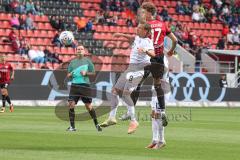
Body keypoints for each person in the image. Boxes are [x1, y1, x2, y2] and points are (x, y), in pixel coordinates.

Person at [133, 2, 177, 148]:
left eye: (143, 12)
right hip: (162, 60)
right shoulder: (163, 24)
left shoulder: (145, 27)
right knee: (154, 109)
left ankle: (161, 140)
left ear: (148, 12)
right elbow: (175, 40)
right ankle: (155, 140)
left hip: (153, 59)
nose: (142, 14)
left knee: (156, 109)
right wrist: (171, 51)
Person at [100, 23, 155, 134]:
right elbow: (131, 38)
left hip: (138, 71)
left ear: (146, 31)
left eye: (140, 28)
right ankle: (112, 118)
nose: (137, 29)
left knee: (125, 94)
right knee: (114, 91)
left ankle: (134, 121)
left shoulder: (147, 42)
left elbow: (153, 54)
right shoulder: (137, 38)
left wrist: (145, 51)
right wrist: (119, 34)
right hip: (130, 69)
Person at [66, 45, 102, 132]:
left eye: (81, 49)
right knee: (71, 104)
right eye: (78, 49)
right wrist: (70, 75)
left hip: (85, 86)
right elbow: (68, 75)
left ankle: (97, 124)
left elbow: (93, 74)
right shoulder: (72, 62)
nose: (79, 50)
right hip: (74, 86)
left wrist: (86, 73)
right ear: (76, 51)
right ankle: (72, 127)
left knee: (88, 106)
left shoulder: (88, 61)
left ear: (84, 51)